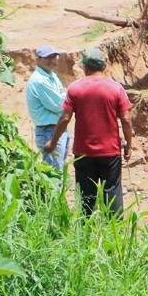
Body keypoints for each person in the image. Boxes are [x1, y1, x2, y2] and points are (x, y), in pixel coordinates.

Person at [43, 48, 133, 214]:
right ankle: (115, 235)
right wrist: (129, 144)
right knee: (112, 193)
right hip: (110, 152)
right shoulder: (116, 88)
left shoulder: (75, 88)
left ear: (85, 67)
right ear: (104, 66)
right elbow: (126, 120)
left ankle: (85, 233)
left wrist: (53, 142)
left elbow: (65, 119)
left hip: (83, 153)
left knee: (86, 197)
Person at [26, 45, 69, 170]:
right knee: (54, 173)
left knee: (60, 169)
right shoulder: (40, 80)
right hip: (49, 132)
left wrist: (64, 96)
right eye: (47, 58)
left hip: (57, 129)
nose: (52, 60)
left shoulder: (51, 75)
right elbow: (59, 105)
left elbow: (62, 96)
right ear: (38, 59)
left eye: (54, 57)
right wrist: (65, 97)